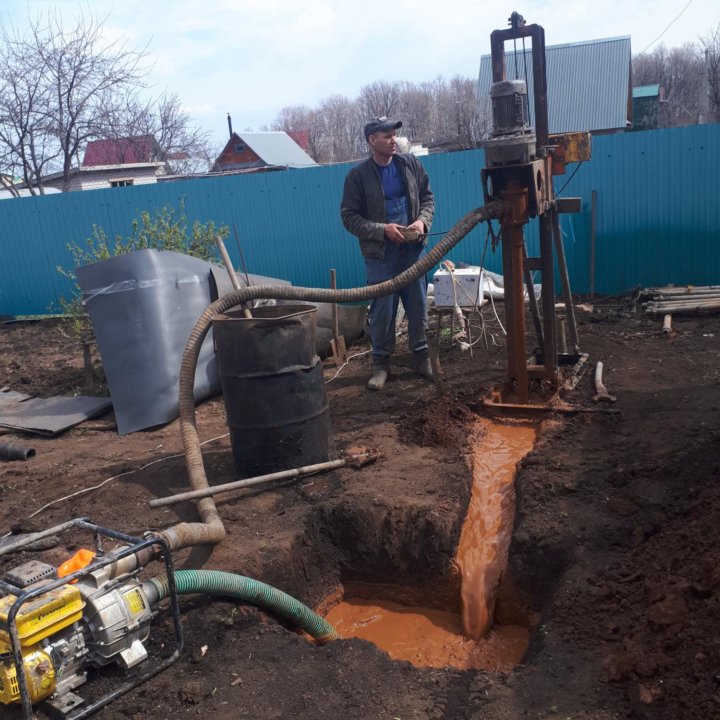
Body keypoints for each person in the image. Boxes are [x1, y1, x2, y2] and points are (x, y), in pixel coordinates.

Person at [340, 117, 435, 391]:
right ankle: (381, 364)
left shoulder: (410, 165)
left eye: (394, 135)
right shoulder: (357, 177)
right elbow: (349, 218)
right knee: (383, 308)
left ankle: (421, 356)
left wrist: (422, 222)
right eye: (387, 136)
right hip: (381, 254)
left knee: (417, 301)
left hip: (411, 249)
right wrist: (383, 230)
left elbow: (428, 198)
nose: (393, 140)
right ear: (372, 141)